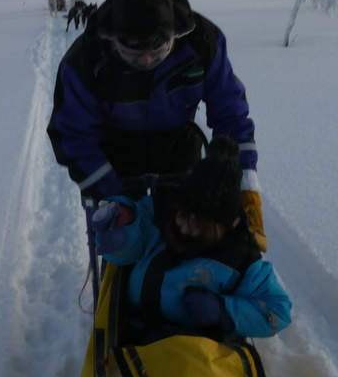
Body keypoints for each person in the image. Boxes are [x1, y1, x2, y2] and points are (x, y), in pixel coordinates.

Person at [47, 0, 267, 251]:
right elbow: (72, 134)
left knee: (188, 239)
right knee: (126, 245)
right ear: (113, 40)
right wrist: (112, 190)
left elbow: (230, 111)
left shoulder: (201, 43)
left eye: (159, 49)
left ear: (175, 34)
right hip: (113, 154)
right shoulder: (86, 60)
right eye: (133, 52)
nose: (148, 59)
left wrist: (243, 173)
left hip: (178, 146)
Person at [90, 136, 291, 341]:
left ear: (220, 227)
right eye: (183, 215)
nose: (185, 227)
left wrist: (224, 310)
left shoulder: (240, 258)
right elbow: (124, 253)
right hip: (134, 334)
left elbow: (279, 312)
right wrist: (124, 225)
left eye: (198, 225)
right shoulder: (160, 214)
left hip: (196, 354)